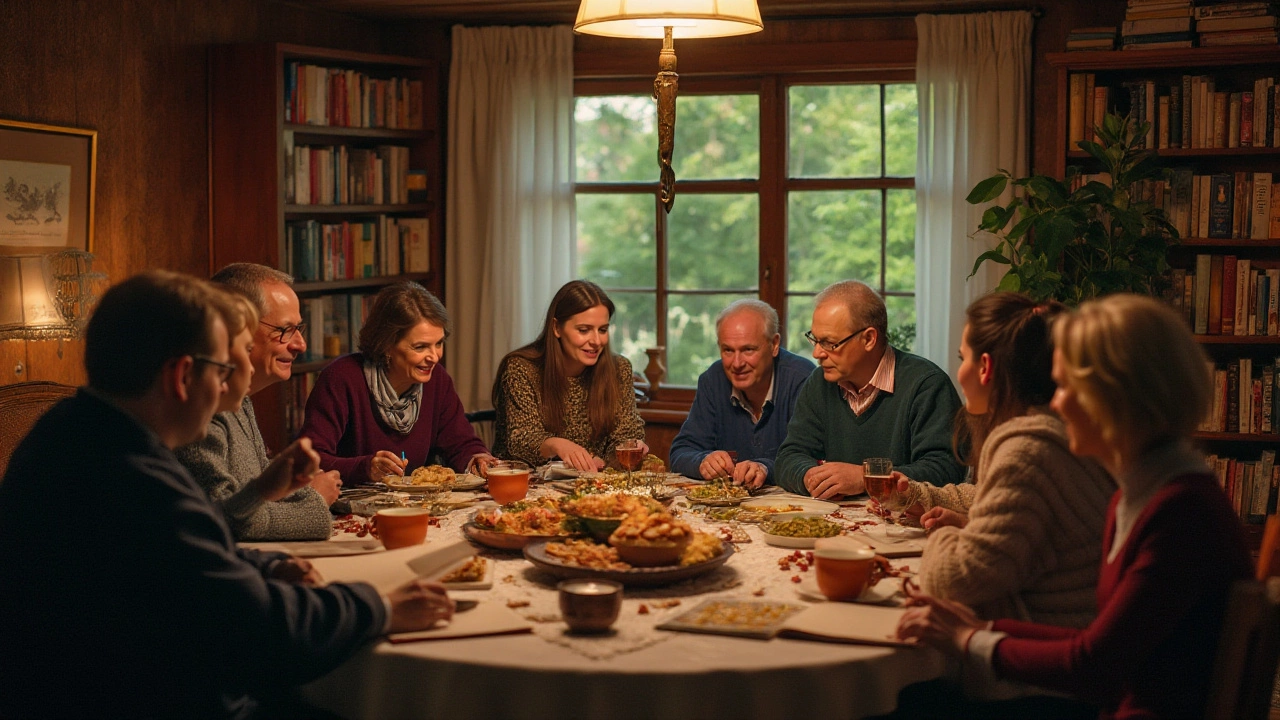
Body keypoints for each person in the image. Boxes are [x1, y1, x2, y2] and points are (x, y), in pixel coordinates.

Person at [0, 270, 454, 719]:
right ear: (181, 376)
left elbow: (198, 547)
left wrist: (268, 563)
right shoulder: (133, 480)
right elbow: (258, 627)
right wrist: (380, 607)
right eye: (223, 370)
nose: (229, 390)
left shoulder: (78, 429)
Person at [897, 294, 1253, 720]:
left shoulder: (1180, 513)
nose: (1057, 403)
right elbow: (1094, 639)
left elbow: (1095, 668)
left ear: (1119, 397)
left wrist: (970, 640)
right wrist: (979, 630)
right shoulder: (1143, 491)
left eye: (1067, 387)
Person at [891, 293, 1115, 632]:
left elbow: (955, 581)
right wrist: (920, 495)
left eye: (961, 357)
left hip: (1042, 655)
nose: (958, 370)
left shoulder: (1027, 449)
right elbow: (987, 496)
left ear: (985, 367)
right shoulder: (1050, 428)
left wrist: (948, 537)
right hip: (1053, 633)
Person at [177, 263, 338, 540]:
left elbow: (257, 490)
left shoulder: (241, 401)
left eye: (299, 328)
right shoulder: (202, 409)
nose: (301, 344)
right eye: (286, 330)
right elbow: (227, 520)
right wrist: (314, 502)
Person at [774, 280, 965, 498]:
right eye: (815, 340)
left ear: (868, 339)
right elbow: (789, 456)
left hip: (903, 526)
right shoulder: (819, 382)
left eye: (829, 343)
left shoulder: (926, 385)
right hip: (838, 522)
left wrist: (867, 477)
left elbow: (946, 470)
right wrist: (808, 476)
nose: (817, 353)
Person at [300, 281, 493, 483]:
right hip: (348, 504)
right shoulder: (342, 378)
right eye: (420, 347)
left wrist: (477, 458)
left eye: (439, 344)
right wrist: (365, 468)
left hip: (414, 504)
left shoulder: (437, 380)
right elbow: (310, 460)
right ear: (387, 345)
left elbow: (460, 443)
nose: (434, 357)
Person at [492, 279, 646, 471]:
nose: (596, 341)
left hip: (595, 484)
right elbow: (521, 440)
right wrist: (555, 444)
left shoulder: (619, 369)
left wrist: (627, 448)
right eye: (584, 330)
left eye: (603, 330)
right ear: (557, 328)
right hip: (525, 484)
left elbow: (626, 432)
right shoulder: (521, 368)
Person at [668, 299, 814, 488]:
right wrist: (702, 461)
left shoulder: (802, 379)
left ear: (774, 344)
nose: (736, 363)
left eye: (748, 350)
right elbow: (680, 452)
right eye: (728, 350)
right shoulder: (713, 380)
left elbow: (812, 457)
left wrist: (764, 468)